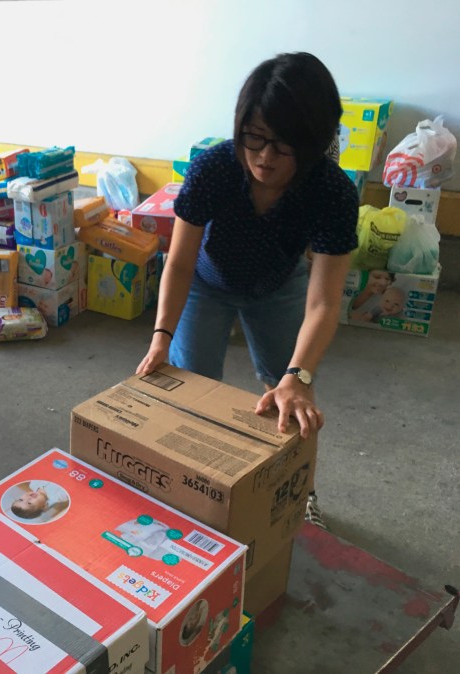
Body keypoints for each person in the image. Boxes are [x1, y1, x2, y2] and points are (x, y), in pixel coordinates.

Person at [136, 53, 360, 530]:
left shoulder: (332, 192)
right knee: (192, 388)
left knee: (293, 400)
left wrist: (297, 373)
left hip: (278, 288)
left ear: (315, 143)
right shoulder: (214, 168)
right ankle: (198, 491)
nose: (263, 157)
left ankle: (300, 497)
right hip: (206, 284)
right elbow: (177, 261)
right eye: (253, 138)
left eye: (283, 146)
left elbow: (323, 301)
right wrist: (161, 334)